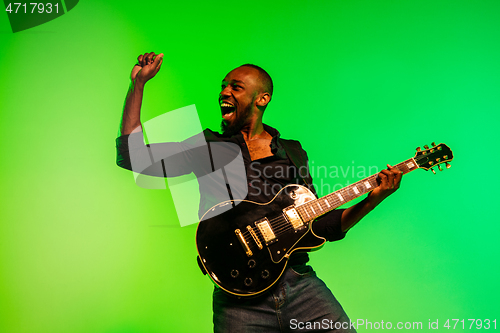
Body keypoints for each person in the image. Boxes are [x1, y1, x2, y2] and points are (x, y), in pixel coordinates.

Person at [116, 52, 403, 332]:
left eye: (235, 87)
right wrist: (137, 85)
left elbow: (320, 225)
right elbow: (134, 157)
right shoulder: (207, 146)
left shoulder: (292, 151)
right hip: (239, 299)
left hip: (300, 285)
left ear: (261, 99)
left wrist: (372, 200)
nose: (224, 92)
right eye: (223, 86)